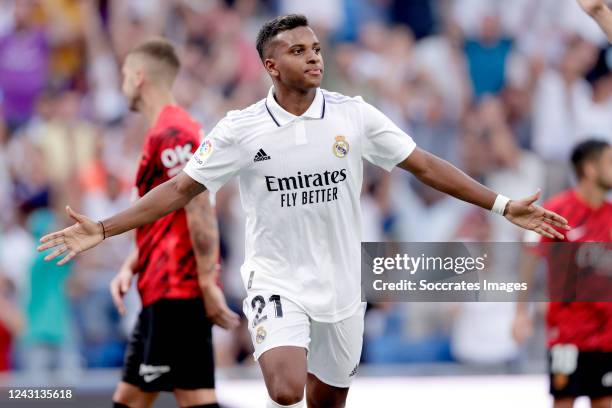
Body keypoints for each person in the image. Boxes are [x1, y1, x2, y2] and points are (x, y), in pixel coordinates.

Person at [39, 15, 569, 408]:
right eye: (298, 51)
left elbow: (425, 166)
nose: (314, 57)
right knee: (286, 389)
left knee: (327, 402)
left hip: (342, 286)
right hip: (277, 281)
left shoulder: (353, 115)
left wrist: (501, 206)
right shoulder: (241, 129)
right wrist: (104, 229)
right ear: (271, 66)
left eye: (316, 48)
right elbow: (180, 191)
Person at [106, 38, 239, 408]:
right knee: (144, 397)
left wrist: (206, 280)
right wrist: (131, 264)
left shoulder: (174, 132)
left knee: (171, 398)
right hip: (162, 290)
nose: (121, 86)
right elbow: (164, 215)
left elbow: (197, 206)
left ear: (139, 77)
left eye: (123, 76)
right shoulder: (166, 131)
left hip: (176, 291)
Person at [512, 139, 612, 408]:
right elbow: (530, 257)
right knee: (564, 400)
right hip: (567, 333)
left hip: (606, 335)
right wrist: (521, 312)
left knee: (605, 401)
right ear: (590, 169)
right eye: (609, 163)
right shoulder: (559, 211)